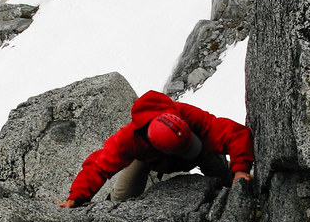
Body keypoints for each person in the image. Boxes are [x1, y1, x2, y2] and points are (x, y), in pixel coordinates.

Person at [56, 89, 253, 208]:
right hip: (147, 159)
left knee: (222, 171)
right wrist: (76, 198)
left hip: (200, 152)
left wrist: (241, 170)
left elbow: (235, 133)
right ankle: (113, 209)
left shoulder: (188, 116)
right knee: (121, 199)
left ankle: (230, 182)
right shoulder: (130, 139)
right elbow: (99, 165)